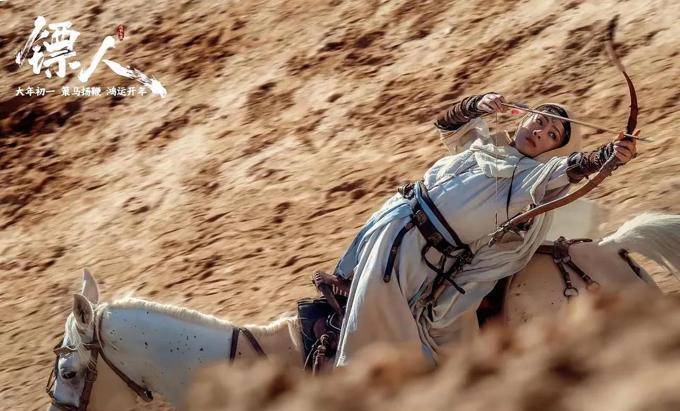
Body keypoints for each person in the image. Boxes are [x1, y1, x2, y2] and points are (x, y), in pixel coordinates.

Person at [331, 92, 637, 366]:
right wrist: (477, 104)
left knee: (372, 335)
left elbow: (576, 166)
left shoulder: (533, 177)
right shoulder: (482, 143)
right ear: (523, 117)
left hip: (415, 253)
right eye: (540, 121)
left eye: (552, 135)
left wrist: (610, 154)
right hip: (390, 223)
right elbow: (446, 124)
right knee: (340, 300)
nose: (540, 132)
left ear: (553, 150)